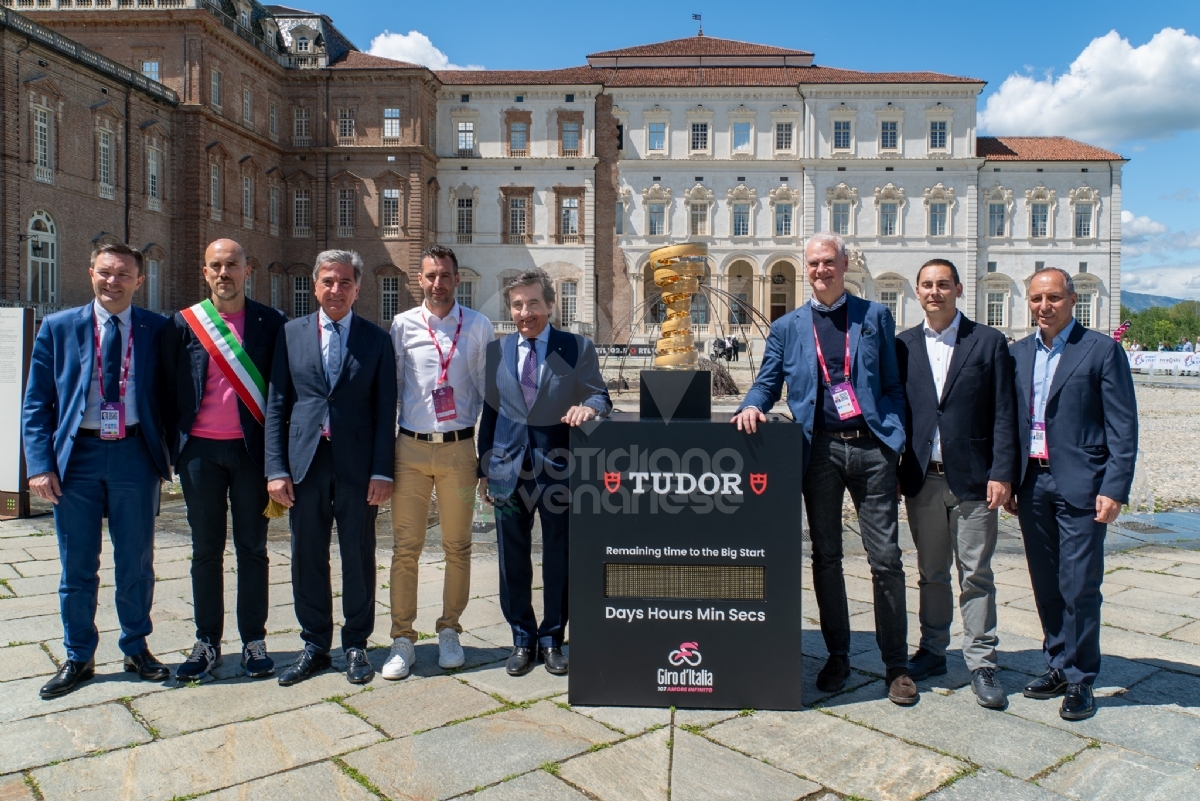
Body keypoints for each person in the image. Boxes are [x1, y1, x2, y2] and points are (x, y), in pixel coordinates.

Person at [732, 232, 916, 705]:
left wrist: (893, 440)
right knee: (826, 558)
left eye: (828, 262)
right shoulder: (788, 326)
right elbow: (767, 381)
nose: (821, 271)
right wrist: (752, 406)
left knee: (887, 559)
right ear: (805, 268)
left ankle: (896, 663)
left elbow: (893, 385)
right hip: (819, 452)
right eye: (813, 264)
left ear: (844, 264)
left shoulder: (874, 317)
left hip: (873, 450)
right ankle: (839, 654)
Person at [23, 243, 173, 698]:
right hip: (77, 458)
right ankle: (79, 655)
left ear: (138, 281)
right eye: (105, 273)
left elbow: (173, 395)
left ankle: (135, 646)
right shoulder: (58, 326)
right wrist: (40, 464)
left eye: (123, 275)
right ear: (90, 273)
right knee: (77, 566)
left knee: (136, 560)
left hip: (134, 455)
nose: (113, 281)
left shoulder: (156, 329)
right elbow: (36, 404)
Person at [1004, 267, 1137, 721]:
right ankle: (1057, 662)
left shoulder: (1100, 350)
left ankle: (1082, 677)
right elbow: (1009, 422)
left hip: (1082, 483)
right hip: (1031, 481)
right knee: (1045, 581)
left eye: (1054, 298)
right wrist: (1007, 476)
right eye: (1037, 298)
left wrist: (1115, 486)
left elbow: (1123, 425)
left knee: (1080, 584)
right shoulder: (1018, 353)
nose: (1045, 306)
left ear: (1072, 299)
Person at [265, 250, 397, 686]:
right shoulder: (290, 334)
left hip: (359, 467)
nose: (335, 290)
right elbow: (278, 404)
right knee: (306, 554)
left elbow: (384, 410)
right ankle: (315, 644)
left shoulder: (376, 340)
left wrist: (383, 470)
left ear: (358, 288)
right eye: (328, 281)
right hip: (306, 462)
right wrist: (275, 469)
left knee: (358, 554)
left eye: (344, 282)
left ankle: (356, 643)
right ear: (316, 285)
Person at [160, 239, 287, 681]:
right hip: (199, 454)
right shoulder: (184, 324)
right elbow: (167, 390)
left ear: (247, 270)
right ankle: (206, 642)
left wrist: (278, 462)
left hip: (251, 454)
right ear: (205, 271)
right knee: (205, 550)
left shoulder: (271, 323)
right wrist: (169, 453)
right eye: (215, 265)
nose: (224, 273)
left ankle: (254, 640)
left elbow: (280, 396)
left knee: (253, 548)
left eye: (232, 264)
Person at [895, 259, 1018, 709]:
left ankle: (982, 660)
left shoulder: (987, 342)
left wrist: (1003, 473)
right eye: (927, 285)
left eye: (942, 285)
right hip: (923, 478)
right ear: (917, 292)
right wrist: (893, 470)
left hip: (975, 478)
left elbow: (1006, 412)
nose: (934, 292)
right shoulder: (903, 345)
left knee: (976, 573)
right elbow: (897, 415)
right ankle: (932, 649)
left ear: (958, 289)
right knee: (930, 573)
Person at [477, 268, 611, 677]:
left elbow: (597, 393)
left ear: (550, 305)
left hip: (558, 469)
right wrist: (484, 466)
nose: (525, 312)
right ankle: (522, 637)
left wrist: (590, 408)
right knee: (510, 558)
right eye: (517, 304)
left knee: (559, 556)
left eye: (533, 303)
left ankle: (553, 637)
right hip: (507, 469)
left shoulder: (572, 348)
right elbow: (491, 410)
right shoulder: (498, 352)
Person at [382, 245, 491, 680]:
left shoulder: (478, 326)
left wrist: (485, 459)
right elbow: (391, 389)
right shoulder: (402, 325)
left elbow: (489, 396)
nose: (437, 283)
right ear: (419, 281)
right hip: (410, 448)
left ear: (457, 279)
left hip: (460, 451)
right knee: (405, 548)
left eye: (444, 275)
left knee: (458, 546)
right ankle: (402, 638)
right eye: (430, 276)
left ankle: (449, 628)